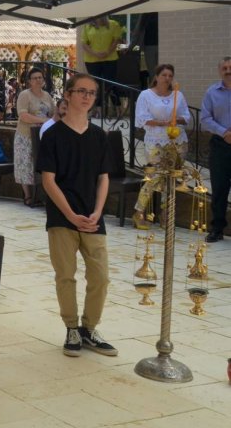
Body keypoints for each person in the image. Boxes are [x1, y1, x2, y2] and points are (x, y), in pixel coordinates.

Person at [38, 73, 117, 358]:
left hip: (93, 218)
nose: (86, 96)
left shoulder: (99, 136)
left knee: (101, 277)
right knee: (66, 276)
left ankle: (90, 328)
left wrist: (97, 211)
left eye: (92, 93)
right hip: (62, 217)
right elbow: (48, 180)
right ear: (68, 95)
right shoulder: (52, 135)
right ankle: (71, 328)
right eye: (81, 91)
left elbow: (103, 178)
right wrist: (70, 214)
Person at [200, 56, 231, 243]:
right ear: (220, 70)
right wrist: (224, 132)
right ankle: (217, 229)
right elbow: (205, 119)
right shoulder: (212, 92)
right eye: (225, 68)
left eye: (230, 67)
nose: (228, 70)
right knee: (219, 189)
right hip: (220, 145)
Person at [15, 67, 55, 206]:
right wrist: (44, 120)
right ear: (29, 81)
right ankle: (27, 196)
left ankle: (41, 195)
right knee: (25, 164)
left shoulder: (47, 96)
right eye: (35, 78)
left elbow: (53, 114)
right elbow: (23, 115)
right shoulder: (25, 95)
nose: (38, 80)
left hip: (43, 136)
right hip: (26, 135)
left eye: (40, 78)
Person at [134, 63, 189, 154]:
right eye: (164, 75)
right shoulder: (145, 95)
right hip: (155, 142)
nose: (167, 78)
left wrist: (177, 119)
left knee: (176, 168)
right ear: (156, 77)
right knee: (157, 168)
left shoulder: (178, 95)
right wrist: (164, 123)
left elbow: (186, 116)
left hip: (177, 140)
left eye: (170, 76)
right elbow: (142, 118)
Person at [81, 15, 125, 115]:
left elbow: (116, 40)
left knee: (111, 83)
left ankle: (118, 107)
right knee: (96, 85)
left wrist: (107, 52)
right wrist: (94, 53)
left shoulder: (113, 24)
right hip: (91, 60)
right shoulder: (87, 26)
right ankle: (98, 110)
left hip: (110, 58)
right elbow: (84, 43)